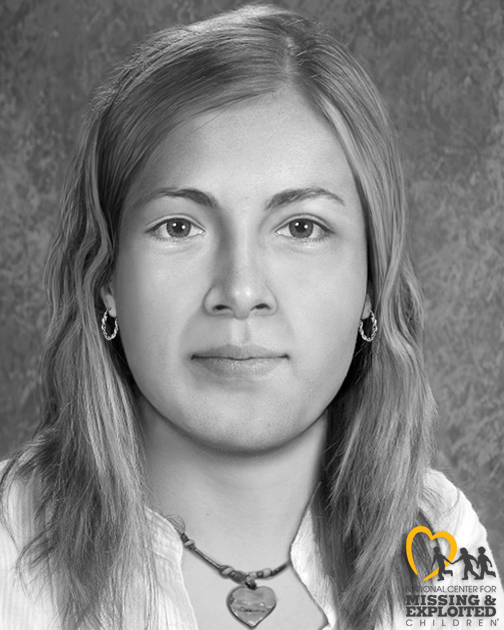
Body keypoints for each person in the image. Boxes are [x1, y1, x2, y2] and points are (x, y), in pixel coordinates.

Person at [0, 5, 502, 630]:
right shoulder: (7, 548)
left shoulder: (442, 545)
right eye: (178, 226)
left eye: (302, 228)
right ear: (106, 280)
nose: (240, 292)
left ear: (373, 283)